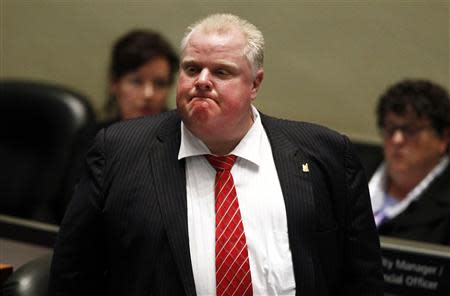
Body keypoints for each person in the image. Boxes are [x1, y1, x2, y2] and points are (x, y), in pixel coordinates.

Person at [49, 14, 382, 295]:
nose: (202, 81)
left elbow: (362, 279)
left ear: (255, 83)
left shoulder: (325, 153)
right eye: (192, 69)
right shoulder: (119, 150)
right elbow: (73, 275)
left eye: (221, 72)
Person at [369, 79, 450, 245]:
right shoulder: (349, 171)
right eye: (390, 128)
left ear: (443, 138)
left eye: (410, 130)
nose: (397, 139)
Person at [101, 29, 179, 126]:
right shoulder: (92, 138)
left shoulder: (183, 138)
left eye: (160, 84)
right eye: (136, 82)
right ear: (115, 84)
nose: (148, 94)